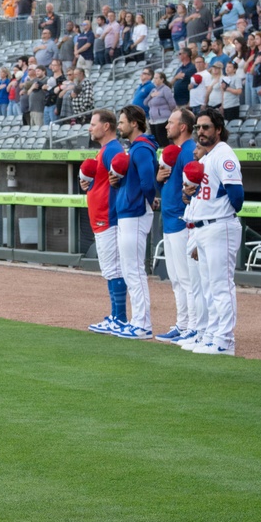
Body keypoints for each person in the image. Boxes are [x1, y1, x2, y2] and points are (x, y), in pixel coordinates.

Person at [184, 108, 244, 355]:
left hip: (220, 225)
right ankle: (211, 334)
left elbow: (237, 197)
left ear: (218, 129)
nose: (201, 131)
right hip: (205, 226)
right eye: (198, 127)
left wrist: (218, 214)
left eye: (206, 127)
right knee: (209, 286)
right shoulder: (207, 157)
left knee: (221, 286)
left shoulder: (224, 155)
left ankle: (225, 340)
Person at [108, 105, 158, 339]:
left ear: (134, 123)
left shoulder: (141, 148)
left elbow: (149, 183)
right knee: (130, 270)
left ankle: (143, 324)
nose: (119, 126)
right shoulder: (135, 148)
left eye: (121, 122)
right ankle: (139, 321)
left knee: (135, 270)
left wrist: (147, 202)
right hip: (130, 212)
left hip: (136, 212)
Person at [155, 107, 201, 343]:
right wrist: (159, 179)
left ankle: (194, 326)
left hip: (183, 221)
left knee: (187, 278)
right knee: (176, 278)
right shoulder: (176, 152)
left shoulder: (189, 150)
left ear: (183, 126)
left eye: (171, 122)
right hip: (170, 219)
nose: (166, 126)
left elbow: (194, 188)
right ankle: (183, 324)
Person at [83, 109, 128, 334]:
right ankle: (115, 315)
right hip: (101, 217)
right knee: (110, 269)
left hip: (108, 217)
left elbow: (120, 182)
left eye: (93, 124)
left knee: (113, 269)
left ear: (106, 126)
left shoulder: (112, 150)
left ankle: (120, 317)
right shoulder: (105, 150)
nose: (90, 128)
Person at [145, 72, 176, 146]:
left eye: (156, 78)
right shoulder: (153, 90)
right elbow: (145, 102)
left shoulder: (166, 89)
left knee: (162, 139)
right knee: (156, 140)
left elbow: (172, 103)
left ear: (162, 79)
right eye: (154, 78)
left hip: (162, 119)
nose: (154, 80)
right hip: (153, 120)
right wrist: (151, 96)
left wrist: (168, 114)